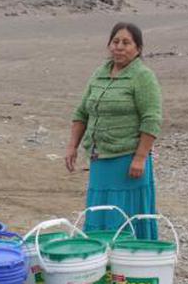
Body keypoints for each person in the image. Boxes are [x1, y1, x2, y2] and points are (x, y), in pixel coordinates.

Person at [65, 23, 163, 239]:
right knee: (99, 212)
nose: (119, 47)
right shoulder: (100, 74)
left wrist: (140, 158)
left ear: (138, 48)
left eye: (126, 43)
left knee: (124, 216)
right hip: (100, 160)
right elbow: (82, 112)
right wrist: (72, 146)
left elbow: (152, 119)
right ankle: (101, 257)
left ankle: (129, 257)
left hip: (127, 162)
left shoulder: (143, 76)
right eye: (115, 41)